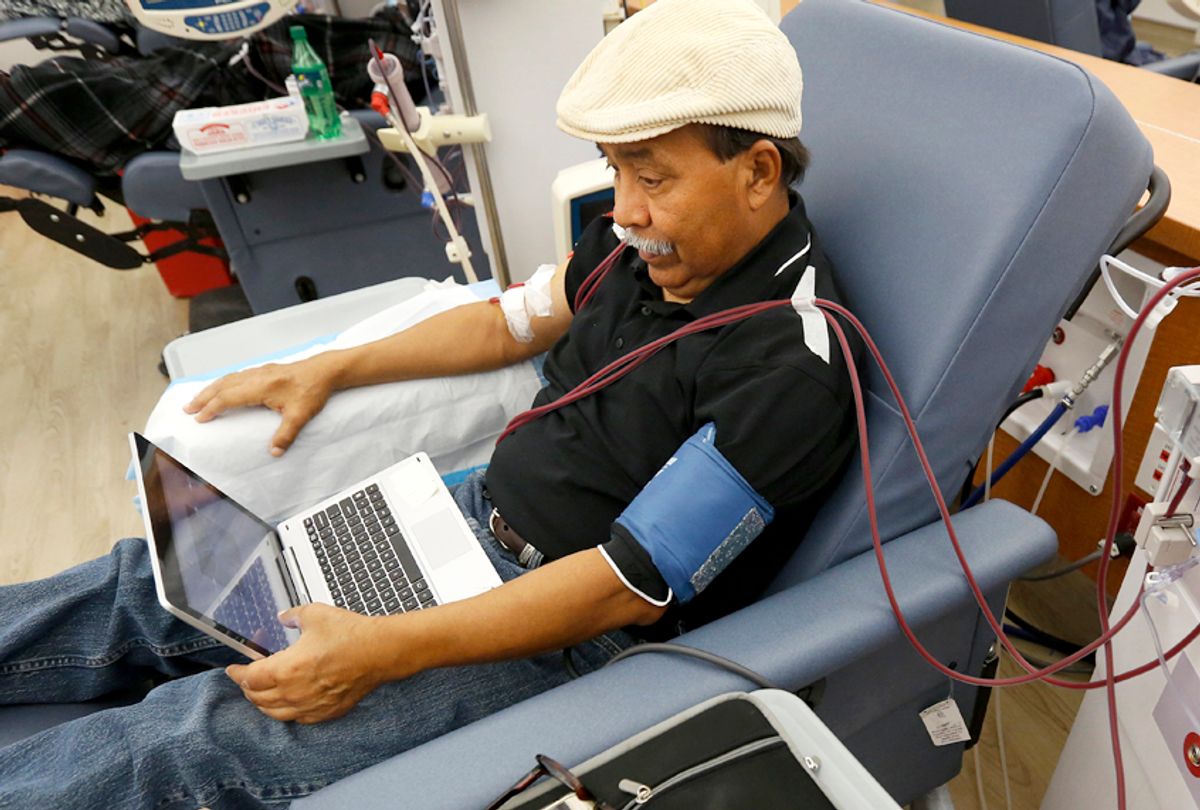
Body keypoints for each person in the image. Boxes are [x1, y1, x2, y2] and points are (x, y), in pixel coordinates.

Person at [0, 0, 861, 806]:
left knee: (190, 741)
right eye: (616, 171)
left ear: (756, 171)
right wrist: (330, 369)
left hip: (566, 636)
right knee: (148, 583)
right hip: (463, 518)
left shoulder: (789, 367)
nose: (627, 210)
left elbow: (626, 588)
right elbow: (508, 324)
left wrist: (380, 653)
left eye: (654, 179)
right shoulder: (644, 246)